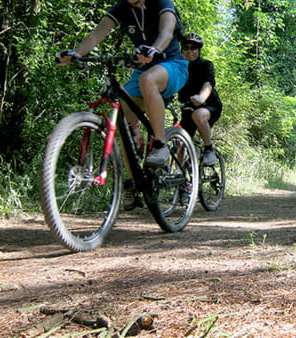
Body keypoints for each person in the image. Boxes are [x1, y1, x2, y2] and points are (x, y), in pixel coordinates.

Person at [56, 0, 189, 210]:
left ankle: (161, 144)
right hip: (142, 67)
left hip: (172, 64)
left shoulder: (161, 2)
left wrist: (154, 49)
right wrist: (77, 54)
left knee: (147, 80)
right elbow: (97, 33)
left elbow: (167, 31)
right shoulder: (121, 8)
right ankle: (133, 182)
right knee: (123, 118)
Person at [177, 33, 223, 166]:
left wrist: (201, 97)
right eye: (186, 48)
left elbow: (208, 84)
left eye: (193, 48)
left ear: (198, 50)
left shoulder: (206, 65)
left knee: (198, 114)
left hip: (210, 106)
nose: (190, 51)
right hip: (188, 110)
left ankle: (209, 149)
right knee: (180, 143)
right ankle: (180, 177)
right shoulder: (179, 67)